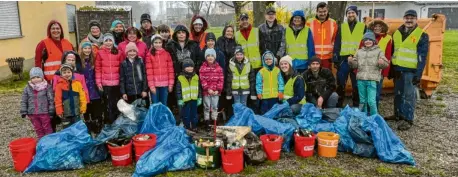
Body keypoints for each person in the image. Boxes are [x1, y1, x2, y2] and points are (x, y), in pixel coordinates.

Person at [386, 10, 429, 131]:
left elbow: (422, 57)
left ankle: (408, 119)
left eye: (412, 18)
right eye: (407, 18)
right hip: (398, 69)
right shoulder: (397, 33)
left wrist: (418, 74)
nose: (409, 20)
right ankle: (398, 114)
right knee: (398, 94)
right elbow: (393, 52)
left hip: (411, 71)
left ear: (416, 20)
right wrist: (391, 69)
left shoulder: (422, 35)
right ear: (403, 19)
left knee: (409, 96)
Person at [348, 32, 389, 115]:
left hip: (372, 80)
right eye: (366, 40)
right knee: (362, 101)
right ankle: (364, 118)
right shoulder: (359, 52)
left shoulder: (379, 51)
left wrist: (382, 63)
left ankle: (374, 119)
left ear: (374, 41)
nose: (368, 41)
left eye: (370, 39)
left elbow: (386, 64)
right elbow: (355, 66)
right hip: (360, 80)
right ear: (363, 42)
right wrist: (351, 62)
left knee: (371, 101)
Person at [334, 6, 366, 108]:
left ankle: (356, 106)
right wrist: (336, 60)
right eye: (349, 13)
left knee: (356, 85)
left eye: (353, 13)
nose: (351, 15)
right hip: (343, 60)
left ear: (356, 14)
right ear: (346, 15)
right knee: (340, 84)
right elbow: (337, 43)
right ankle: (339, 106)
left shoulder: (363, 27)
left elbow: (366, 44)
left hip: (357, 60)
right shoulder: (342, 27)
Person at [96, 33, 124, 124]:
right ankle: (110, 123)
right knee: (109, 105)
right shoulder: (100, 53)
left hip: (117, 83)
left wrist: (122, 81)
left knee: (118, 104)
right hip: (106, 84)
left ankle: (118, 123)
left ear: (113, 41)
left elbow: (121, 68)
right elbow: (98, 68)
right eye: (106, 41)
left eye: (110, 40)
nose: (108, 43)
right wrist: (99, 83)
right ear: (103, 42)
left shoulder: (118, 52)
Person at [20, 67, 54, 139]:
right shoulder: (27, 88)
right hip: (32, 113)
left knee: (47, 127)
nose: (36, 79)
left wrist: (51, 109)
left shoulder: (47, 87)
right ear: (30, 79)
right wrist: (23, 110)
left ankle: (50, 141)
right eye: (33, 77)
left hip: (44, 112)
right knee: (38, 128)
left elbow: (51, 99)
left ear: (42, 77)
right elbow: (24, 100)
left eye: (38, 77)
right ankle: (41, 141)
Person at [366, 19, 393, 107]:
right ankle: (367, 112)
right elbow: (361, 51)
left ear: (383, 27)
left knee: (376, 92)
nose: (377, 28)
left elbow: (388, 56)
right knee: (366, 92)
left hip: (379, 70)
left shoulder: (388, 38)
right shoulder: (367, 36)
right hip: (367, 68)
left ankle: (375, 111)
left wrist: (385, 71)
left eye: (379, 26)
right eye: (375, 26)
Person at [79, 42, 103, 134]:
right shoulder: (79, 62)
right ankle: (88, 127)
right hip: (85, 89)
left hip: (94, 89)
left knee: (96, 109)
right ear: (82, 50)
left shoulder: (94, 60)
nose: (87, 50)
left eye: (89, 48)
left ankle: (97, 126)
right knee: (86, 110)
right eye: (85, 48)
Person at [306, 2, 338, 69]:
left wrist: (334, 55)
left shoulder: (333, 23)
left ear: (327, 11)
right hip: (314, 57)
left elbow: (335, 40)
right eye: (320, 12)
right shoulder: (309, 23)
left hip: (328, 57)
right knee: (314, 78)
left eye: (324, 11)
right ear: (316, 12)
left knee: (326, 77)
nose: (322, 14)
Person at [54, 64, 87, 129]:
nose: (67, 74)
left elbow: (82, 97)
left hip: (76, 112)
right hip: (65, 114)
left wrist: (83, 107)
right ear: (61, 74)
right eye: (64, 72)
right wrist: (59, 111)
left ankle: (77, 139)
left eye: (69, 72)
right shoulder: (59, 86)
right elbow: (57, 99)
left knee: (77, 128)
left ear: (72, 73)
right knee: (67, 129)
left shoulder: (77, 84)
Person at [199, 49, 224, 130]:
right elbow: (202, 79)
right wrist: (207, 89)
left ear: (215, 57)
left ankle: (214, 121)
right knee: (206, 107)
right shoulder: (202, 68)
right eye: (208, 56)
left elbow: (221, 79)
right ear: (206, 57)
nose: (210, 57)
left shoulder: (219, 68)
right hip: (207, 92)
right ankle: (207, 122)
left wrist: (218, 89)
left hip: (216, 92)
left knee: (214, 107)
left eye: (212, 56)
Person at [146, 35, 175, 105]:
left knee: (164, 103)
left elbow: (170, 70)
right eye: (156, 42)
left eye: (160, 42)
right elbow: (149, 72)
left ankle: (163, 116)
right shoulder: (149, 55)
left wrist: (170, 84)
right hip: (155, 85)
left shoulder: (167, 54)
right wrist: (151, 86)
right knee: (155, 104)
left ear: (162, 43)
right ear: (152, 44)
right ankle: (156, 116)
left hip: (165, 85)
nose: (158, 44)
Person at [176, 59, 202, 131]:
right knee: (186, 114)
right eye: (187, 66)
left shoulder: (196, 77)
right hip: (185, 100)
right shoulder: (180, 78)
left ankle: (194, 126)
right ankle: (187, 127)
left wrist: (199, 97)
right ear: (184, 68)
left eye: (191, 66)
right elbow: (178, 90)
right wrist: (180, 99)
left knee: (194, 114)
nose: (190, 68)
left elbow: (199, 88)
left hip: (194, 99)